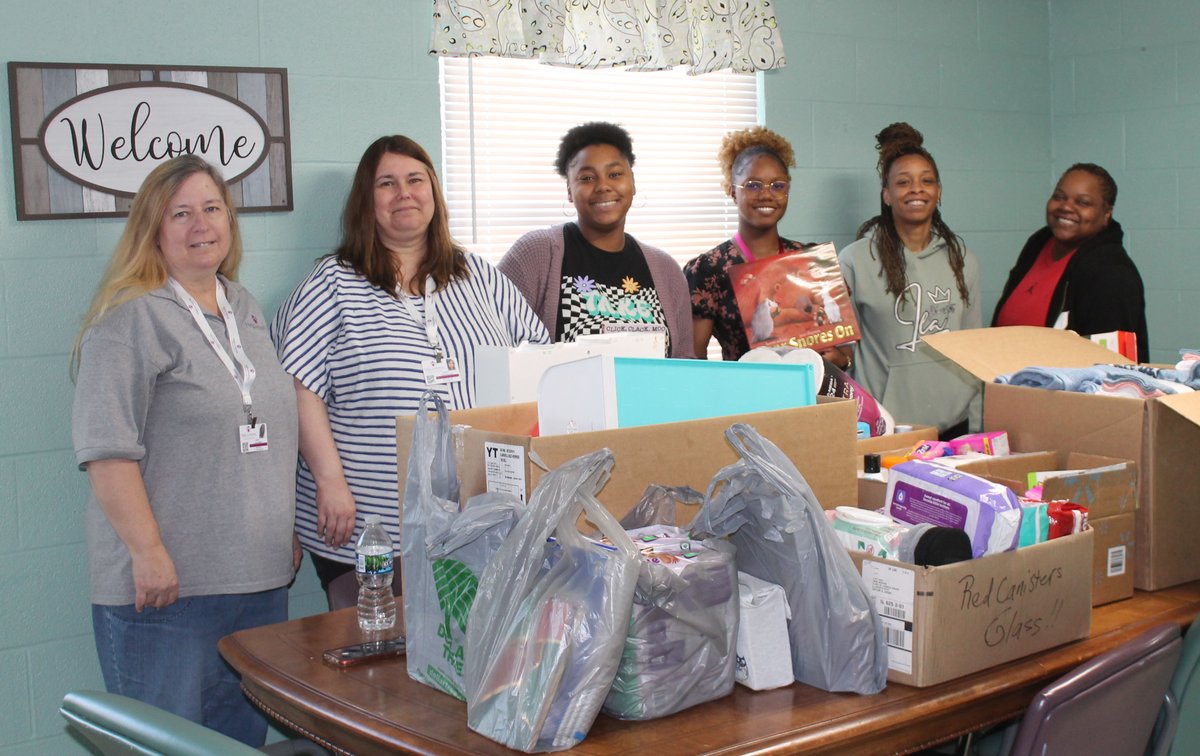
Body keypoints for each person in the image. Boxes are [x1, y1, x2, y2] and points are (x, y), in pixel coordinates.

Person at [71, 155, 299, 746]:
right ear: (153, 229)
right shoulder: (129, 320)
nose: (201, 225)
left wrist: (281, 526)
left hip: (257, 587)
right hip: (168, 593)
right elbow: (107, 454)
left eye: (212, 208)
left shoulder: (243, 307)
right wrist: (147, 552)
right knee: (163, 747)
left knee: (239, 747)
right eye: (180, 214)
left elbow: (264, 427)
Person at [272, 135, 548, 591]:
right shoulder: (334, 282)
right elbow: (298, 387)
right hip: (369, 523)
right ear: (367, 201)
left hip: (473, 520)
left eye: (415, 180)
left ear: (433, 191)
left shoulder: (480, 277)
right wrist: (330, 482)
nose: (404, 193)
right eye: (387, 183)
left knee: (462, 635)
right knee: (378, 635)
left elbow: (537, 362)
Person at [499, 121, 695, 358]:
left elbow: (684, 363)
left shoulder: (666, 270)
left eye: (615, 174)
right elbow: (494, 343)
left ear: (632, 182)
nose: (603, 186)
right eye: (587, 178)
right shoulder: (536, 253)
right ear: (569, 190)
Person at [839, 123, 981, 437]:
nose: (916, 189)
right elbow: (843, 351)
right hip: (886, 425)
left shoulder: (963, 260)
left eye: (926, 181)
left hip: (955, 425)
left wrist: (977, 423)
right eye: (903, 182)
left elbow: (974, 349)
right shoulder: (854, 260)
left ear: (938, 191)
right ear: (887, 195)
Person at [684, 126, 848, 366]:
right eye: (753, 185)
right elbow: (694, 361)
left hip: (812, 389)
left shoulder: (811, 260)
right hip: (744, 389)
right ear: (732, 192)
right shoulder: (709, 269)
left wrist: (841, 359)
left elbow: (845, 346)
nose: (766, 195)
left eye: (777, 185)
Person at [992, 163, 1148, 362]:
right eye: (1059, 197)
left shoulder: (1112, 273)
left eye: (1083, 202)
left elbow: (1112, 367)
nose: (1066, 206)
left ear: (1106, 213)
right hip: (1005, 377)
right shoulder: (1038, 245)